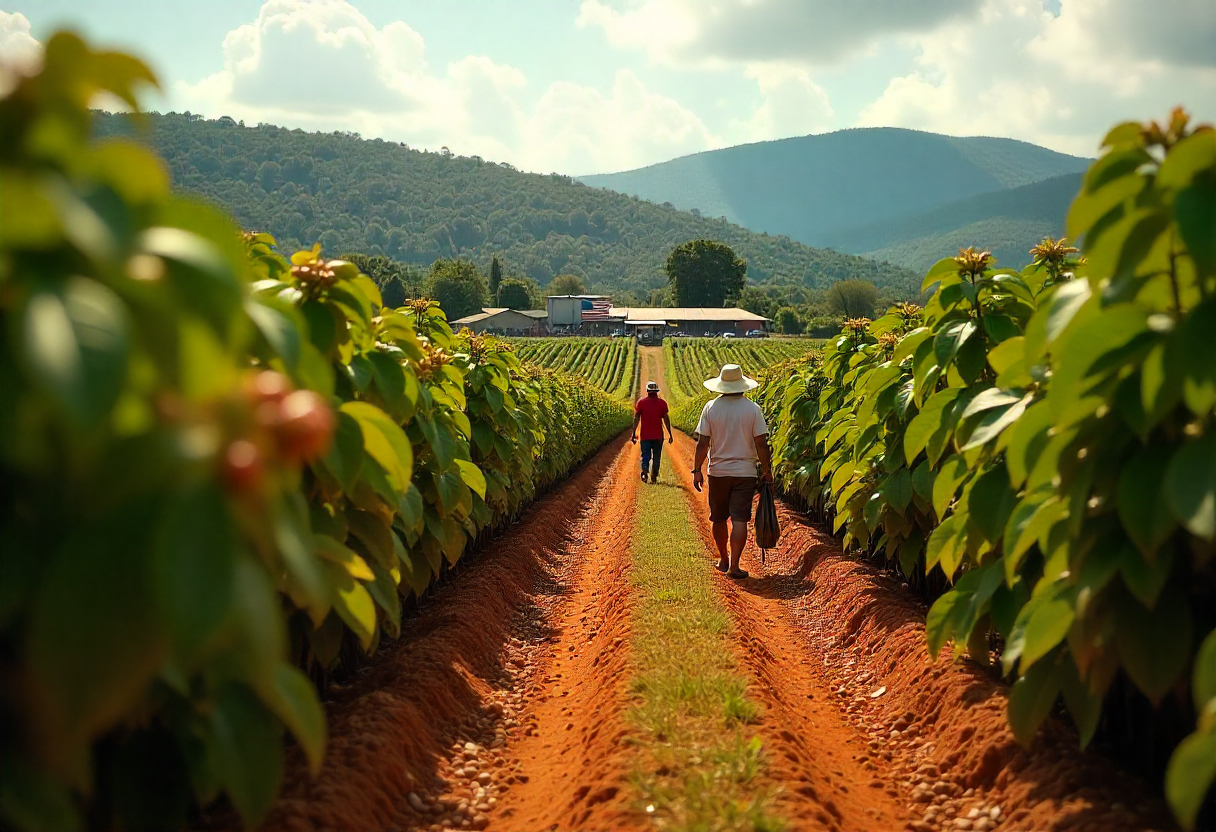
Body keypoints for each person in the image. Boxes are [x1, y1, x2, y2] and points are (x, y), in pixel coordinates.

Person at [691, 364, 772, 579]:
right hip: (745, 472)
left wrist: (696, 469)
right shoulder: (753, 409)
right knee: (739, 519)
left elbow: (703, 443)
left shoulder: (711, 408)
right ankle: (735, 565)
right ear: (742, 385)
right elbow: (761, 444)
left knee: (718, 518)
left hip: (718, 471)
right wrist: (766, 470)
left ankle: (724, 559)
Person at [631, 380, 674, 483]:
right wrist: (670, 434)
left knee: (645, 454)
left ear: (647, 391)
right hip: (658, 436)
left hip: (645, 435)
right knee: (657, 456)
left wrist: (633, 433)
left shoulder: (641, 403)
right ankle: (654, 476)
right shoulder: (662, 403)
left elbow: (636, 418)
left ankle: (645, 470)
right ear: (657, 391)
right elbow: (666, 419)